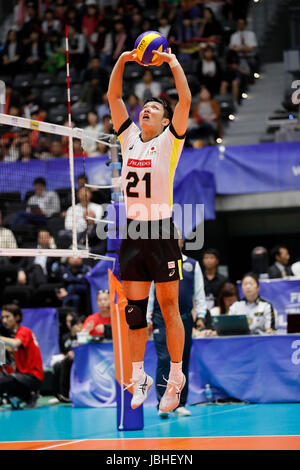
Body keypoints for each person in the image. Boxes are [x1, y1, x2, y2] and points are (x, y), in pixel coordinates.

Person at [107, 45, 191, 413]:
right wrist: (124, 60)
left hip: (160, 231)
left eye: (155, 108)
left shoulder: (170, 141)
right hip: (133, 233)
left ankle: (175, 376)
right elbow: (113, 95)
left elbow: (185, 97)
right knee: (135, 312)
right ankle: (139, 375)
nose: (147, 109)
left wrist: (172, 62)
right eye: (146, 107)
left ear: (164, 120)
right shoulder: (127, 137)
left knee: (169, 306)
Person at [147, 236, 206, 418]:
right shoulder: (156, 263)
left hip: (184, 319)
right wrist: (147, 316)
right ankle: (161, 403)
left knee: (181, 360)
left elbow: (199, 292)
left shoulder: (192, 264)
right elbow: (150, 292)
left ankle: (180, 403)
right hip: (160, 319)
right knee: (164, 359)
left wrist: (201, 315)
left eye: (176, 238)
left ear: (181, 242)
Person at [0, 304, 44, 409]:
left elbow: (15, 344)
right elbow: (9, 349)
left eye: (7, 317)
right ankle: (25, 396)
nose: (4, 320)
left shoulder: (24, 331)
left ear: (17, 317)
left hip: (32, 377)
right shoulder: (14, 335)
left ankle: (29, 395)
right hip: (21, 376)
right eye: (2, 317)